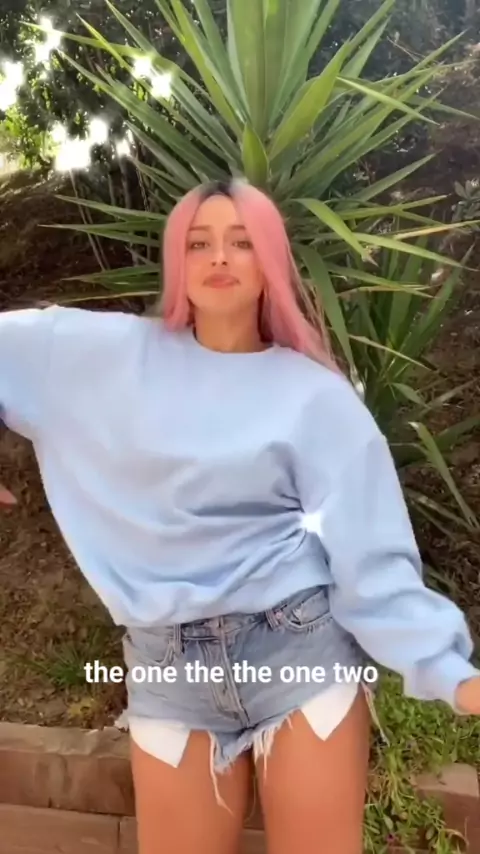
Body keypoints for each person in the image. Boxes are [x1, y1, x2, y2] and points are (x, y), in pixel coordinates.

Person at [0, 178, 479, 854]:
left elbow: (372, 561)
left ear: (270, 261)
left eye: (242, 241)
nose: (219, 257)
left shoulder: (314, 396)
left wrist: (453, 674)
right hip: (168, 667)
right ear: (177, 259)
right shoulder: (99, 356)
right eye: (199, 243)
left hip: (298, 651)